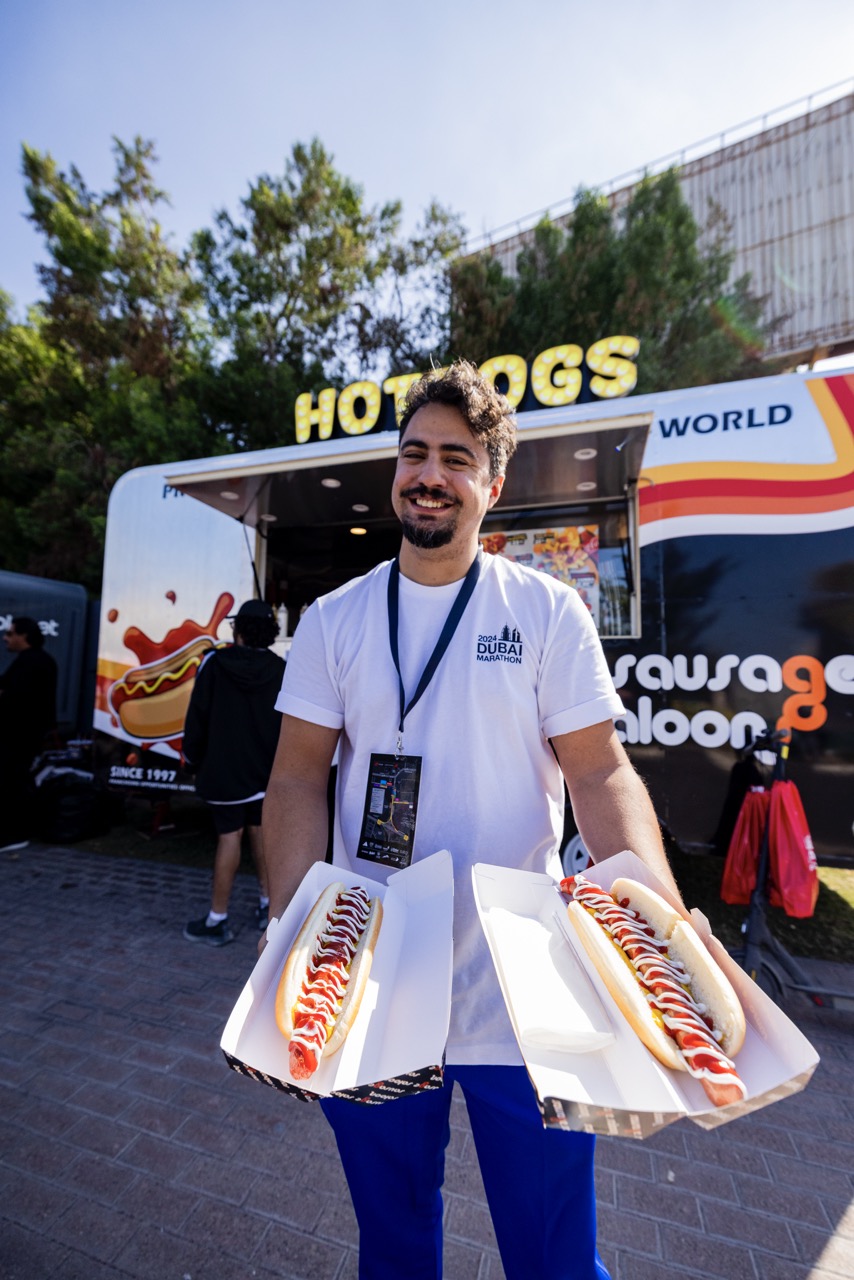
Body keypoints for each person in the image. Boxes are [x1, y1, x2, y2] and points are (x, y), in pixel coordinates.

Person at [262, 361, 688, 1280]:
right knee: (395, 1243)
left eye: (456, 459)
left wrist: (658, 918)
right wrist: (291, 927)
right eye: (414, 453)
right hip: (371, 978)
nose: (429, 475)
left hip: (523, 986)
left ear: (492, 486)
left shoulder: (547, 610)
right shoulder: (334, 619)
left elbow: (599, 770)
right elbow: (295, 781)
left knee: (554, 1255)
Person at [183, 599, 285, 946]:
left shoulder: (214, 664)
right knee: (259, 832)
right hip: (265, 772)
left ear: (238, 629)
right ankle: (267, 906)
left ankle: (217, 919)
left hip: (224, 771)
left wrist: (191, 759)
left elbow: (196, 716)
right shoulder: (281, 668)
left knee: (230, 837)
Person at [0, 616, 58, 852]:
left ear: (24, 636)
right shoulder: (32, 660)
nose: (5, 638)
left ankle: (13, 834)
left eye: (10, 634)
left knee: (11, 781)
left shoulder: (32, 663)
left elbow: (14, 698)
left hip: (20, 734)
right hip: (22, 733)